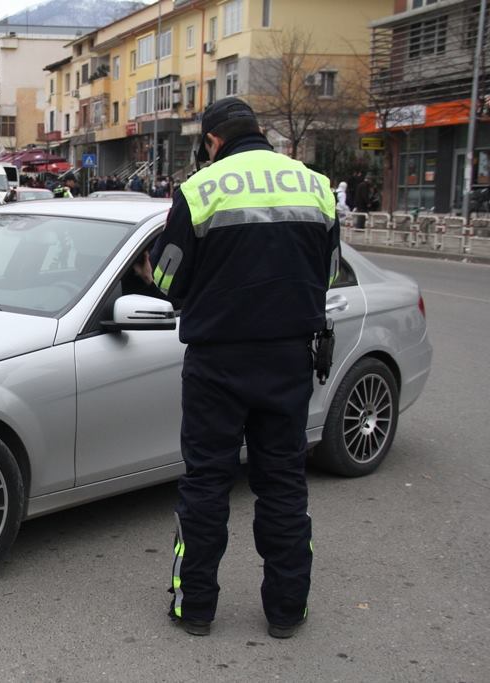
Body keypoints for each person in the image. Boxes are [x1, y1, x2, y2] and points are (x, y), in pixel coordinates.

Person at [137, 97, 340, 639]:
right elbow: (330, 272)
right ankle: (286, 611)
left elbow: (169, 284)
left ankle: (196, 609)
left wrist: (151, 265)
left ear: (212, 141)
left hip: (217, 364)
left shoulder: (199, 191)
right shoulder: (316, 186)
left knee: (206, 485)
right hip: (288, 360)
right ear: (260, 133)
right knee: (283, 486)